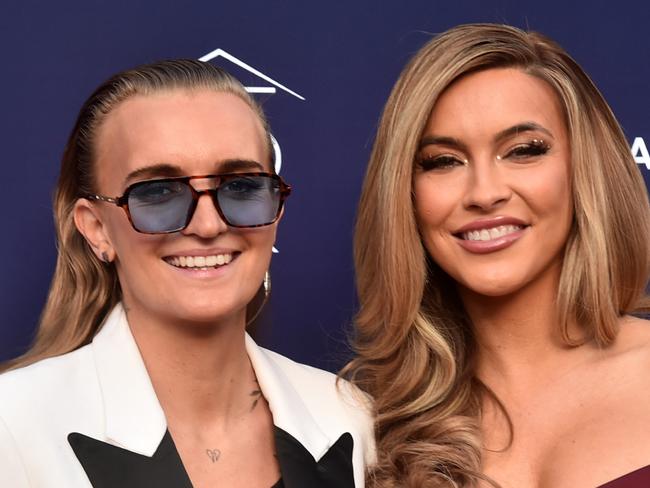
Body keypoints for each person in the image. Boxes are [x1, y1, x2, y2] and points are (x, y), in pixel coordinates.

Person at [0, 59, 373, 488]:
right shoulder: (12, 425)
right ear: (97, 228)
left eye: (240, 186)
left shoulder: (353, 419)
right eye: (158, 192)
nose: (209, 225)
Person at [346, 23, 650, 488]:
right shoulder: (362, 427)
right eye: (443, 161)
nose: (485, 194)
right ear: (404, 194)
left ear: (584, 169)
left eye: (523, 151)